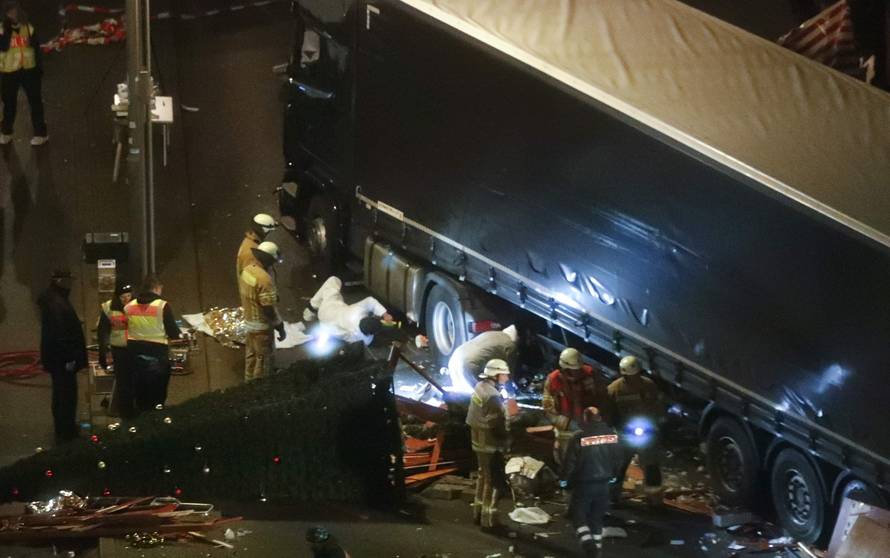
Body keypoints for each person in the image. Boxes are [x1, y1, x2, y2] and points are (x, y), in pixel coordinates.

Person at [562, 406, 624, 558]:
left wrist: (564, 481)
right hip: (604, 484)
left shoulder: (578, 437)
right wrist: (614, 476)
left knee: (578, 516)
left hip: (584, 483)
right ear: (600, 417)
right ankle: (596, 551)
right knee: (596, 518)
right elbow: (618, 459)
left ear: (585, 418)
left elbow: (569, 463)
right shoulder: (612, 436)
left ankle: (589, 546)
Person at [37, 269, 87, 442]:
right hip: (63, 359)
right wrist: (71, 357)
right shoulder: (57, 302)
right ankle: (66, 431)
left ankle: (64, 428)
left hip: (57, 359)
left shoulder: (53, 300)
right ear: (60, 281)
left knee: (61, 394)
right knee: (66, 395)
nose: (71, 284)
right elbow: (61, 334)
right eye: (69, 280)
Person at [607, 355, 665, 504]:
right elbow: (608, 412)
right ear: (623, 375)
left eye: (636, 376)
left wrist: (655, 425)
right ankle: (612, 497)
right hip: (624, 433)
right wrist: (615, 427)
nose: (633, 380)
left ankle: (654, 499)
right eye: (629, 377)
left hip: (646, 432)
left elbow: (657, 407)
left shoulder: (649, 386)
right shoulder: (614, 389)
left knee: (652, 467)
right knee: (618, 467)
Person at [543, 348, 613, 465]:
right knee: (567, 460)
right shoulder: (553, 380)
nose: (576, 373)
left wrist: (599, 417)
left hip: (591, 426)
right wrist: (568, 423)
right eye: (572, 370)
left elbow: (604, 398)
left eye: (578, 369)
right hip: (567, 430)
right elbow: (548, 408)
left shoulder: (591, 374)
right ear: (563, 368)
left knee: (594, 460)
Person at [465, 358, 512, 529]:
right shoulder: (492, 395)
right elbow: (496, 424)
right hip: (490, 443)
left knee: (482, 475)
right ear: (496, 375)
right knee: (491, 480)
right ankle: (488, 518)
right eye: (504, 375)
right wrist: (506, 440)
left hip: (478, 439)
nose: (507, 378)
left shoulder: (480, 387)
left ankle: (477, 512)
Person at [125, 274, 181, 413]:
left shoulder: (128, 307)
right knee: (157, 397)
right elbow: (173, 332)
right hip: (157, 356)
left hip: (134, 357)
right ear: (156, 288)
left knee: (140, 396)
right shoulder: (162, 306)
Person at [0, 1, 47, 146]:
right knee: (9, 104)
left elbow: (36, 47)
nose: (12, 14)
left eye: (14, 11)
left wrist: (39, 68)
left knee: (35, 101)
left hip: (29, 70)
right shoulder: (2, 29)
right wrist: (8, 31)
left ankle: (41, 133)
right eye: (9, 12)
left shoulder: (28, 26)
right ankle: (6, 132)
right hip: (9, 72)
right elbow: (3, 47)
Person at [239, 241, 286, 381]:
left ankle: (248, 381)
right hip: (262, 327)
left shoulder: (247, 270)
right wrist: (279, 325)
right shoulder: (264, 279)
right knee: (264, 359)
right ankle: (261, 387)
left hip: (249, 322)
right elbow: (268, 308)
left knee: (252, 355)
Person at [304, 276, 393, 345]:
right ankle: (312, 310)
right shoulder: (362, 338)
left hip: (329, 307)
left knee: (333, 280)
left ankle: (312, 307)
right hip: (329, 314)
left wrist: (384, 314)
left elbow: (370, 301)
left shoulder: (358, 311)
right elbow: (336, 332)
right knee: (331, 330)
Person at [97, 281, 134, 418]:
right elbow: (102, 331)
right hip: (119, 350)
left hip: (133, 348)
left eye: (129, 296)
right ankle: (125, 411)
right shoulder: (109, 308)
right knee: (123, 382)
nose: (126, 300)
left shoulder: (135, 306)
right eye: (123, 297)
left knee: (133, 380)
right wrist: (103, 353)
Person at [447, 324, 519, 394]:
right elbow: (508, 374)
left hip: (455, 357)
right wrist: (511, 392)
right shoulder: (510, 345)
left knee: (461, 393)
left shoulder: (493, 334)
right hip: (469, 365)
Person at [236, 213, 277, 280]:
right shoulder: (252, 253)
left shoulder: (250, 241)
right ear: (262, 231)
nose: (268, 234)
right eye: (268, 232)